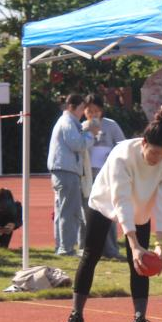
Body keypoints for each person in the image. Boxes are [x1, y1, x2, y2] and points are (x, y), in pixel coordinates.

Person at [60, 107, 162, 322]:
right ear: (144, 143)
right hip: (105, 200)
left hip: (140, 207)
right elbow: (120, 199)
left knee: (140, 263)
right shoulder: (122, 155)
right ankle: (75, 318)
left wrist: (159, 243)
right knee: (91, 254)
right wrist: (133, 244)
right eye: (154, 152)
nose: (158, 158)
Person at [47, 93, 94, 257]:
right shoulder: (68, 122)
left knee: (62, 210)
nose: (82, 112)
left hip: (63, 170)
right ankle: (66, 248)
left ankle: (61, 246)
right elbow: (77, 144)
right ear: (72, 108)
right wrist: (90, 134)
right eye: (81, 108)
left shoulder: (68, 122)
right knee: (69, 211)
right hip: (66, 171)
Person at [82, 94, 126, 259]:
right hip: (89, 175)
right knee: (90, 211)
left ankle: (111, 249)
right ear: (84, 112)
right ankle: (91, 248)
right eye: (89, 111)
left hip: (107, 174)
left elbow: (122, 145)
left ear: (102, 111)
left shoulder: (111, 125)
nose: (93, 114)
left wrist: (112, 155)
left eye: (96, 111)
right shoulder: (82, 126)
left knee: (109, 210)